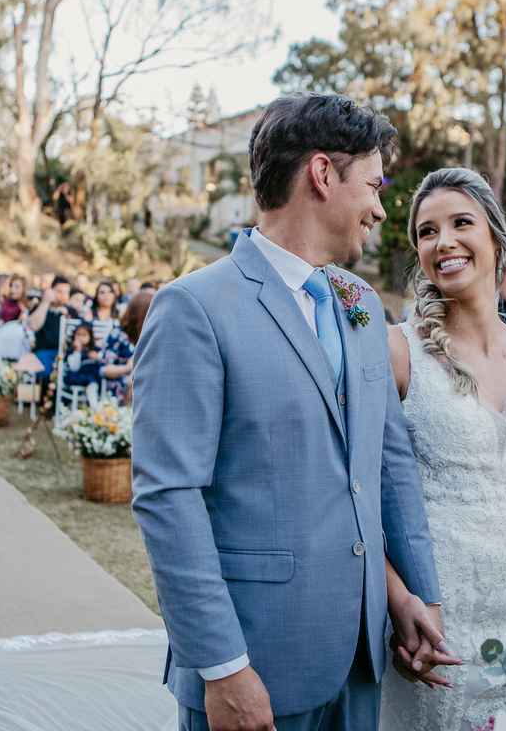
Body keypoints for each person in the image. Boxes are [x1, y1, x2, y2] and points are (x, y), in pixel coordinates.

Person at [132, 92, 447, 731]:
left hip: (362, 656)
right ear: (323, 175)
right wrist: (223, 667)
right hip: (257, 663)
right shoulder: (194, 307)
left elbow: (389, 466)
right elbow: (169, 496)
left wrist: (416, 596)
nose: (382, 208)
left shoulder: (360, 302)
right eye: (373, 184)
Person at [383, 168, 506, 729]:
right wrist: (401, 605)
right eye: (426, 231)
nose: (442, 241)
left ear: (496, 238)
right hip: (437, 622)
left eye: (460, 223)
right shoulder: (397, 352)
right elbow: (360, 500)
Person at [97, 289, 154, 405]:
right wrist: (128, 368)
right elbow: (104, 369)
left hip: (150, 382)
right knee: (135, 381)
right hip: (121, 383)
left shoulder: (153, 335)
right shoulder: (118, 335)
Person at [27, 276, 73, 379]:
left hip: (65, 353)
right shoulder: (40, 306)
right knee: (45, 373)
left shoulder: (70, 311)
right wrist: (46, 302)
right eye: (59, 292)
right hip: (44, 351)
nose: (63, 296)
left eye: (66, 293)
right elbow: (33, 325)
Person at [90, 281, 120, 347]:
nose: (106, 296)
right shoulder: (89, 314)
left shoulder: (120, 314)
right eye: (102, 292)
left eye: (110, 292)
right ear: (97, 295)